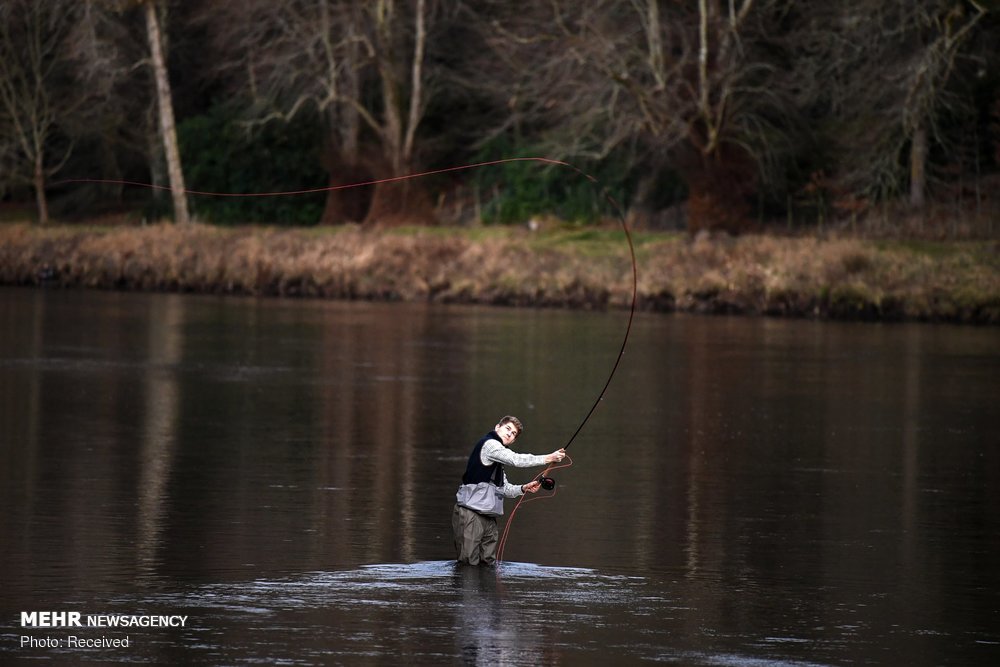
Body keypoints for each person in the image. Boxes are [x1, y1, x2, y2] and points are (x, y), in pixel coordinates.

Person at [452, 416, 566, 566]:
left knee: (488, 565)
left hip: (489, 518)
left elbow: (504, 489)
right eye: (508, 429)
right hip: (471, 515)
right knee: (468, 566)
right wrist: (548, 458)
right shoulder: (490, 444)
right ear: (497, 427)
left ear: (512, 441)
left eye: (513, 434)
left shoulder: (498, 459)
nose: (509, 434)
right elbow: (515, 460)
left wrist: (523, 488)